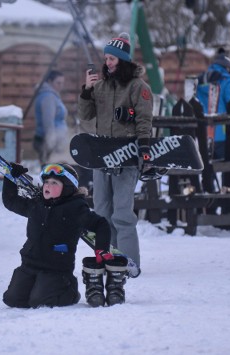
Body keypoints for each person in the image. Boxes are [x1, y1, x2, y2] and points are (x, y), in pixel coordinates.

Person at [77, 32, 153, 274]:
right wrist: (86, 92)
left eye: (112, 58)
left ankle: (130, 263)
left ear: (123, 60)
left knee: (122, 212)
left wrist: (143, 148)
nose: (108, 62)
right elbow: (86, 116)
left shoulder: (138, 87)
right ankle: (109, 258)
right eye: (106, 58)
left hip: (126, 157)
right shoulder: (100, 86)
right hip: (102, 155)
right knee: (101, 211)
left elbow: (144, 119)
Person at [1, 162, 127, 308]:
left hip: (55, 269)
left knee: (40, 301)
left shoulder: (75, 208)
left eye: (54, 183)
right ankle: (37, 286)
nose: (47, 186)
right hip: (29, 265)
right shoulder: (37, 204)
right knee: (13, 300)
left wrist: (101, 249)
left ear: (67, 186)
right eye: (46, 182)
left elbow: (101, 224)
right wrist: (10, 178)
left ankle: (70, 291)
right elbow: (11, 202)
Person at [196, 48, 230, 160]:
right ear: (227, 67)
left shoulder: (200, 80)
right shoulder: (228, 80)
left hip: (203, 134)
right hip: (223, 134)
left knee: (207, 172)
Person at [33, 70, 68, 165]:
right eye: (58, 83)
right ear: (49, 81)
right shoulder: (48, 97)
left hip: (54, 139)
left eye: (62, 83)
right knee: (50, 171)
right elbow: (48, 120)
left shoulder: (51, 95)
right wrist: (50, 141)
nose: (61, 86)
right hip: (48, 141)